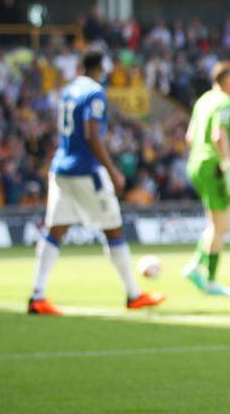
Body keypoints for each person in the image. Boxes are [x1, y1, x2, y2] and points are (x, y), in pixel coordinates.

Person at [27, 51, 165, 315]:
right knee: (113, 229)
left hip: (61, 168)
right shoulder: (94, 93)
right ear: (102, 67)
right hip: (86, 171)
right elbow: (92, 136)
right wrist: (112, 170)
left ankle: (37, 295)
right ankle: (134, 294)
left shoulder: (69, 90)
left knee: (55, 231)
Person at [184, 60, 230, 297]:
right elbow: (219, 135)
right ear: (226, 79)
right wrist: (227, 165)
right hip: (213, 165)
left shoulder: (203, 100)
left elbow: (189, 136)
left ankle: (196, 265)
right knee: (223, 223)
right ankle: (208, 279)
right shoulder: (224, 102)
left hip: (197, 162)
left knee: (217, 223)